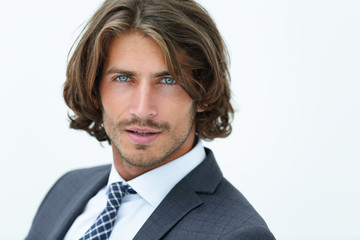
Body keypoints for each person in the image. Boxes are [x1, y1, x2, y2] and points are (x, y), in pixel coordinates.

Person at [26, 0, 275, 239]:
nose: (142, 109)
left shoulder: (236, 234)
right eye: (123, 78)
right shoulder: (65, 190)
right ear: (93, 90)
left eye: (168, 80)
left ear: (205, 93)